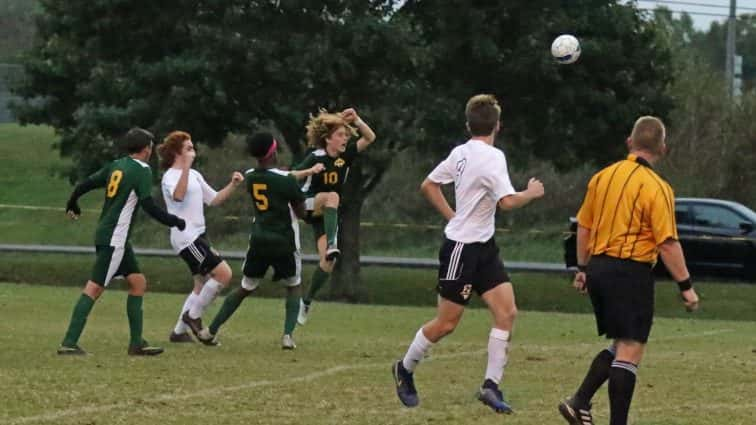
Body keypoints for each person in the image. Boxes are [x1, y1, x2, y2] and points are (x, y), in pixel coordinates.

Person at [391, 94, 545, 413]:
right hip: (461, 249)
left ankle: (490, 386)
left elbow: (429, 185)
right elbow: (507, 202)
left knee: (506, 313)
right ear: (497, 125)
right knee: (447, 324)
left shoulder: (461, 152)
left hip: (484, 248)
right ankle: (404, 368)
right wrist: (530, 193)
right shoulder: (491, 157)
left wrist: (453, 215)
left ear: (468, 124)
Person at [558, 116, 700, 425]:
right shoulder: (657, 188)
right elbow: (667, 243)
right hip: (629, 271)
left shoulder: (602, 177)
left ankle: (578, 401)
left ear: (629, 142)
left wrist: (582, 268)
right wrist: (686, 286)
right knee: (631, 348)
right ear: (663, 148)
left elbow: (583, 226)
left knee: (621, 342)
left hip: (597, 268)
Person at [58, 127, 186, 356]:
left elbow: (87, 182)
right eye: (151, 146)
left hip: (110, 235)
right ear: (146, 149)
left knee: (138, 283)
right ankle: (69, 342)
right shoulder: (142, 170)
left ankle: (136, 343)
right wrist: (173, 221)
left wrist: (73, 200)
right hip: (115, 238)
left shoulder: (116, 165)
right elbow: (148, 205)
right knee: (94, 288)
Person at [200, 132, 323, 349]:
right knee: (294, 285)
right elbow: (301, 211)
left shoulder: (251, 175)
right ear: (273, 152)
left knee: (246, 286)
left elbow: (276, 180)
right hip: (284, 239)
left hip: (258, 238)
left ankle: (211, 330)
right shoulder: (285, 180)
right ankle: (287, 336)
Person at [157, 131, 244, 345]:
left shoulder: (194, 174)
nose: (193, 151)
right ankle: (193, 316)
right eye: (188, 148)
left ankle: (179, 332)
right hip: (185, 237)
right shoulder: (170, 176)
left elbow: (213, 200)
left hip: (198, 235)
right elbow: (178, 196)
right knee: (224, 274)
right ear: (177, 152)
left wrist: (233, 184)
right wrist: (185, 166)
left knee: (200, 283)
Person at [292, 107, 376, 325]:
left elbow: (370, 137)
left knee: (328, 262)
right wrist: (310, 172)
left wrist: (357, 119)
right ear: (327, 139)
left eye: (346, 135)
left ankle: (306, 301)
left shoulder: (344, 156)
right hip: (307, 205)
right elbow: (292, 175)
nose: (344, 139)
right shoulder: (315, 157)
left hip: (324, 215)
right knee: (332, 197)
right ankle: (331, 242)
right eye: (340, 135)